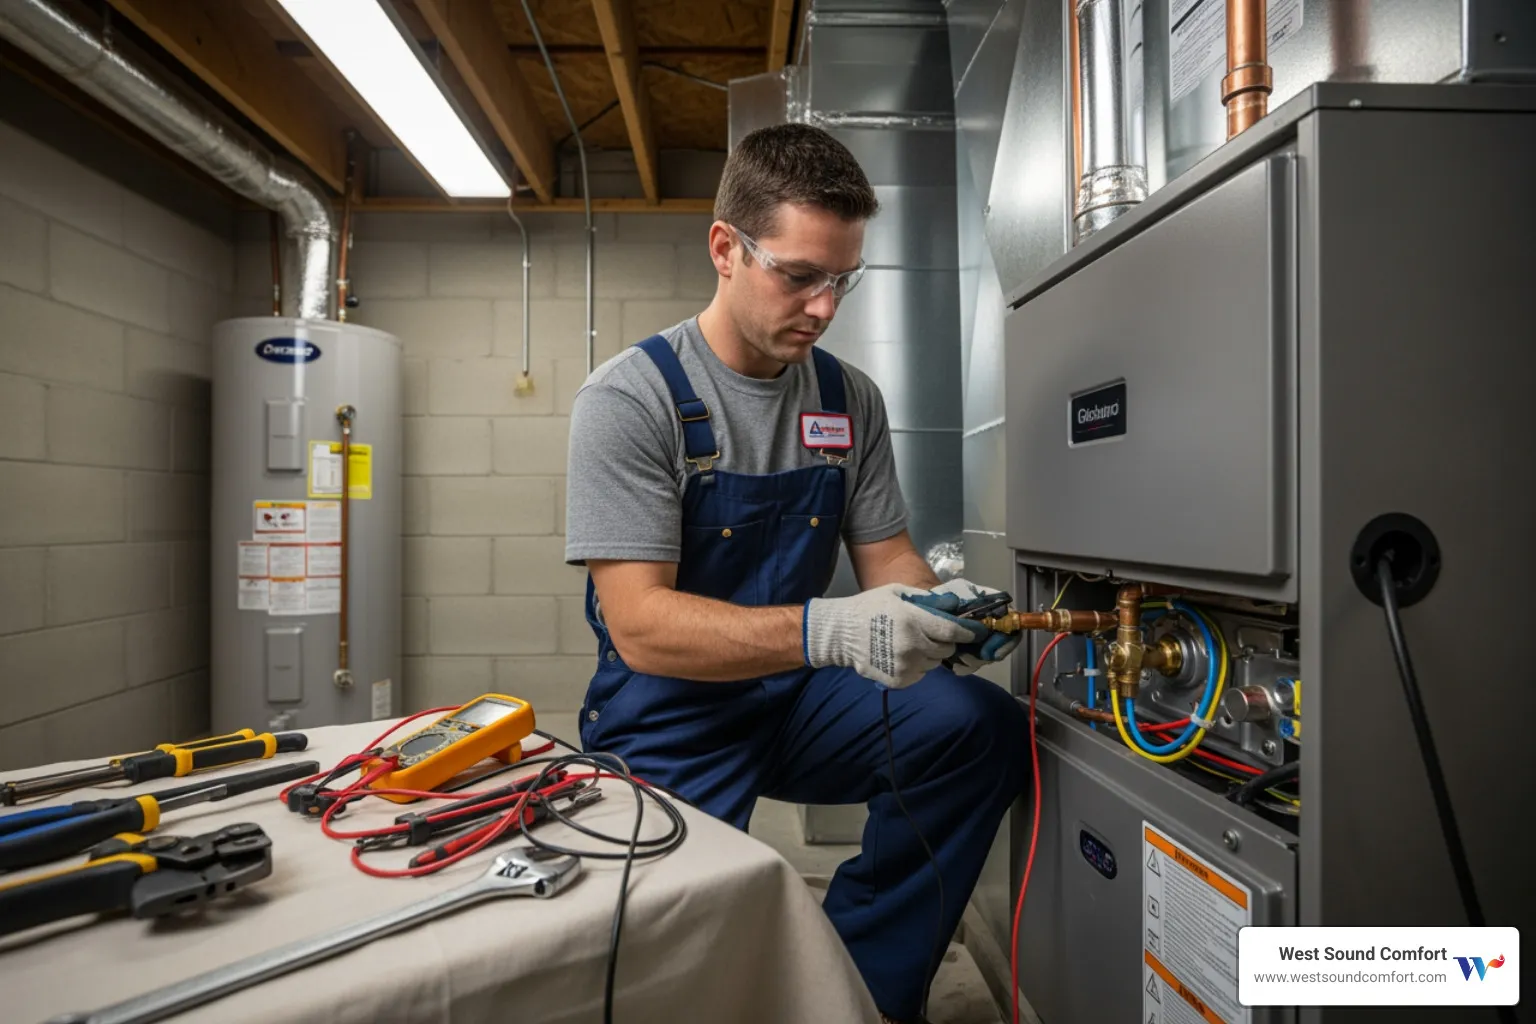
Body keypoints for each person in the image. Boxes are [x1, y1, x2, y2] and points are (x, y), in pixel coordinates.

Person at [564, 123, 1029, 1024]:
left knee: (978, 729)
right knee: (668, 954)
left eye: (841, 280)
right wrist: (829, 629)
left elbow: (884, 554)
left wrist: (936, 607)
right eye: (800, 275)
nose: (822, 307)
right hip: (672, 709)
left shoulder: (846, 398)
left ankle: (856, 992)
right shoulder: (632, 400)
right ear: (725, 249)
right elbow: (640, 625)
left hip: (801, 700)